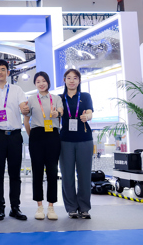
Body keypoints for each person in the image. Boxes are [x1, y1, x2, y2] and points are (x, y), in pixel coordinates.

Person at [0, 59, 29, 221]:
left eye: (3, 69)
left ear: (8, 72)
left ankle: (15, 207)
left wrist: (25, 109)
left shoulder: (17, 90)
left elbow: (23, 107)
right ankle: (0, 208)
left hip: (15, 135)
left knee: (15, 173)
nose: (0, 72)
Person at [24, 71, 63, 221]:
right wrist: (32, 136)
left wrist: (57, 114)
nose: (41, 84)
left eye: (43, 81)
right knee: (37, 171)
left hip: (53, 135)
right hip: (36, 136)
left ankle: (51, 207)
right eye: (38, 81)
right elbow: (26, 121)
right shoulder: (31, 99)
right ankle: (39, 206)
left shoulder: (56, 98)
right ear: (35, 84)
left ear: (48, 82)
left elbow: (61, 112)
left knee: (52, 171)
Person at [59, 69, 94, 219]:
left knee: (84, 175)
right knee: (67, 176)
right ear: (64, 80)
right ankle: (71, 208)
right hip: (65, 141)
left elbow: (90, 112)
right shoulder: (60, 98)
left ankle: (84, 208)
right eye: (69, 78)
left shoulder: (85, 96)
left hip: (84, 139)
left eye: (75, 78)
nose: (72, 81)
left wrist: (87, 116)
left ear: (79, 81)